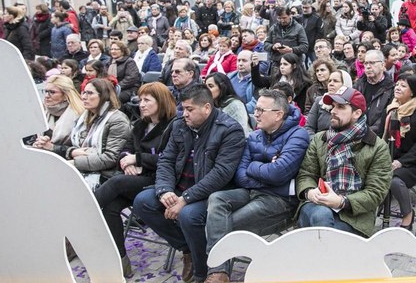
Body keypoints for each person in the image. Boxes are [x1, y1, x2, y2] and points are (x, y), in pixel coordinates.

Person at [132, 84, 246, 283]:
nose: (184, 114)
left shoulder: (229, 130)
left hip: (210, 193)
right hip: (179, 186)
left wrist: (185, 199)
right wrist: (164, 191)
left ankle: (201, 274)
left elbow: (221, 174)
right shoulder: (180, 125)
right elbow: (166, 160)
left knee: (189, 215)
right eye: (183, 108)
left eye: (190, 109)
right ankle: (188, 249)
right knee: (143, 201)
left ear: (207, 108)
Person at [204, 89, 310, 283]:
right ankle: (219, 272)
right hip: (253, 192)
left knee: (225, 225)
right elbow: (241, 177)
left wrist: (254, 166)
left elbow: (278, 173)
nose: (256, 113)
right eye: (256, 108)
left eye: (261, 109)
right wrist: (266, 169)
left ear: (278, 114)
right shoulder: (255, 136)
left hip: (280, 201)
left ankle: (218, 273)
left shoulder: (298, 135)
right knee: (217, 198)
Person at [94, 82, 175, 277]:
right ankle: (121, 260)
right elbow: (125, 149)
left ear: (161, 102)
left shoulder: (172, 126)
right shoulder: (140, 124)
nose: (141, 104)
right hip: (136, 179)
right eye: (140, 100)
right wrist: (126, 161)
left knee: (115, 183)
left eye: (147, 100)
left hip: (159, 181)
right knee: (111, 207)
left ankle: (83, 216)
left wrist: (138, 159)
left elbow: (169, 159)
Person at [295, 87, 391, 237]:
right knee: (321, 215)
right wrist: (309, 192)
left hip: (354, 215)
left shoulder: (377, 147)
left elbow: (375, 193)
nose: (333, 111)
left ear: (357, 113)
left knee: (324, 230)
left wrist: (341, 201)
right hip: (317, 204)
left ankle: (319, 256)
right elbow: (306, 174)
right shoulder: (320, 139)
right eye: (333, 106)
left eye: (340, 107)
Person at [33, 78, 132, 191]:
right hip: (83, 167)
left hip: (104, 174)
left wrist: (74, 163)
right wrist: (52, 147)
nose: (84, 97)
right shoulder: (85, 116)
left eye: (89, 93)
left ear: (104, 96)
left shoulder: (117, 120)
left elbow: (110, 158)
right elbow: (77, 149)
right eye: (84, 92)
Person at [384, 74, 416, 231]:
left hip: (415, 163)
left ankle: (408, 215)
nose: (397, 87)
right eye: (397, 84)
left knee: (394, 180)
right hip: (391, 159)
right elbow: (384, 137)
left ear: (412, 92)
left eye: (403, 86)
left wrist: (401, 162)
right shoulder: (392, 109)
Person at [354, 50, 395, 136]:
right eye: (366, 63)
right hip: (355, 132)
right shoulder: (358, 85)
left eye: (372, 63)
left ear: (382, 65)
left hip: (376, 136)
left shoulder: (391, 88)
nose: (368, 67)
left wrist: (366, 132)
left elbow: (384, 119)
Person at [305, 70, 353, 135]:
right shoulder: (319, 101)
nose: (331, 84)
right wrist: (316, 143)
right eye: (329, 81)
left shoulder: (351, 105)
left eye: (335, 81)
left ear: (345, 84)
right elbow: (309, 127)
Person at [205, 72, 251, 136]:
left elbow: (242, 132)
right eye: (205, 87)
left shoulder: (236, 105)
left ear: (222, 87)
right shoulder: (208, 105)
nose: (206, 90)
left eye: (210, 86)